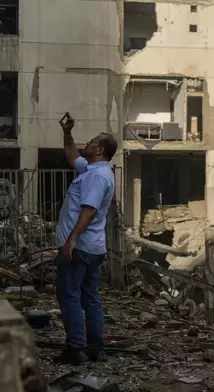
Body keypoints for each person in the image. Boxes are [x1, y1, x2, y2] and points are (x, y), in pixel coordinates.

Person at [54, 113, 118, 365]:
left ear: (99, 150)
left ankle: (74, 348)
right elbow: (72, 158)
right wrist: (67, 132)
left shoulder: (96, 176)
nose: (87, 143)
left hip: (79, 247)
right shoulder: (94, 169)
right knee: (89, 296)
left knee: (69, 295)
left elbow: (88, 210)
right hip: (93, 247)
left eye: (92, 141)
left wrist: (71, 240)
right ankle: (95, 347)